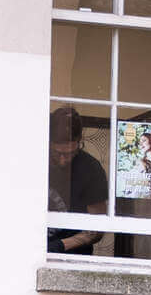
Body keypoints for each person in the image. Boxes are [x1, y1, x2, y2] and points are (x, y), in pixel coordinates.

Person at [46, 106, 108, 255]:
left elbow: (97, 228)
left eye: (70, 153)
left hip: (74, 256)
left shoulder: (91, 169)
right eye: (57, 153)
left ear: (79, 141)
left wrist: (61, 245)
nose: (62, 161)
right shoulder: (34, 160)